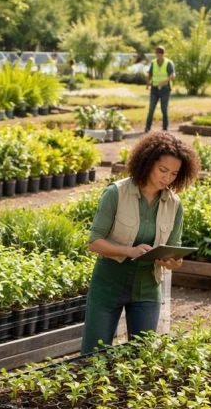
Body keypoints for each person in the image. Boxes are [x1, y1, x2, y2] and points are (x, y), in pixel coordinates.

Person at [81, 132, 199, 354]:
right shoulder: (116, 193)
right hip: (108, 285)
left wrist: (173, 262)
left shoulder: (174, 204)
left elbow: (174, 248)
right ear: (147, 162)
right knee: (93, 355)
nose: (167, 178)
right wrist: (129, 250)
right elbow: (94, 242)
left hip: (147, 287)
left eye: (174, 174)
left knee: (142, 357)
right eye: (162, 170)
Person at [145, 46, 175, 132]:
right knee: (151, 109)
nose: (158, 55)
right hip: (154, 89)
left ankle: (165, 128)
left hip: (165, 89)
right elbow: (150, 74)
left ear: (163, 54)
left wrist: (163, 82)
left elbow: (173, 76)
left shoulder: (168, 63)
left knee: (164, 109)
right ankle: (147, 128)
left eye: (159, 53)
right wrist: (148, 82)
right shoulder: (153, 63)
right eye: (156, 53)